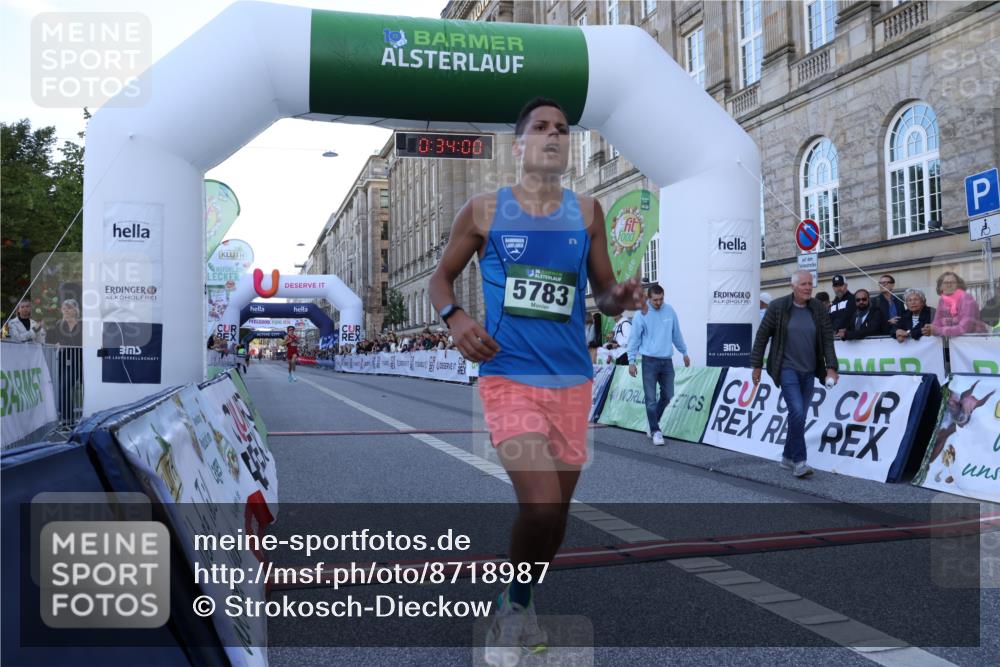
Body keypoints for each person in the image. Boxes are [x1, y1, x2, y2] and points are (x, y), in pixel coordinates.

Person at [427, 97, 645, 666]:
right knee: (542, 510)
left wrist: (617, 298)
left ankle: (515, 600)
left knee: (557, 524)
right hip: (509, 378)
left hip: (572, 380)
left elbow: (601, 293)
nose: (554, 135)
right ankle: (513, 614)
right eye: (541, 128)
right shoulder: (483, 210)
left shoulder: (590, 212)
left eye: (563, 129)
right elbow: (441, 279)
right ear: (519, 144)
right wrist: (456, 319)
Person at [750, 269, 838, 478]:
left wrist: (832, 368)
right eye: (803, 284)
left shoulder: (818, 309)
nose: (808, 288)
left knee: (799, 416)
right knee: (797, 412)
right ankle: (800, 462)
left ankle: (787, 457)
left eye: (810, 284)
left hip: (810, 371)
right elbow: (762, 337)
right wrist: (756, 366)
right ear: (793, 286)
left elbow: (827, 339)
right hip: (786, 369)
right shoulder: (778, 307)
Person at [627, 284, 690, 446]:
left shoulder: (670, 311)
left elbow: (676, 333)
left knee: (668, 395)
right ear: (648, 298)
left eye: (661, 299)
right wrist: (631, 361)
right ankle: (655, 431)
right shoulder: (641, 314)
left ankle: (652, 422)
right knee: (650, 399)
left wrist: (684, 352)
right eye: (655, 300)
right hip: (649, 361)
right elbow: (634, 339)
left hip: (666, 361)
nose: (658, 303)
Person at [47, 299, 82, 426]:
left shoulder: (82, 324)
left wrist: (66, 344)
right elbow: (53, 340)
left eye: (69, 308)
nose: (66, 310)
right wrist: (56, 344)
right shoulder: (59, 324)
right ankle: (68, 420)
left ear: (75, 310)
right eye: (64, 308)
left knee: (67, 388)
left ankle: (71, 420)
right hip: (62, 361)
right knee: (62, 389)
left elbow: (83, 342)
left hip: (79, 362)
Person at [923, 271, 987, 337]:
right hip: (954, 342)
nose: (949, 285)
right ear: (940, 286)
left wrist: (938, 330)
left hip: (974, 341)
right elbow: (937, 322)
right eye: (945, 283)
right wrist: (930, 329)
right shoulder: (942, 300)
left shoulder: (966, 298)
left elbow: (965, 328)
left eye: (953, 282)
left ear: (958, 285)